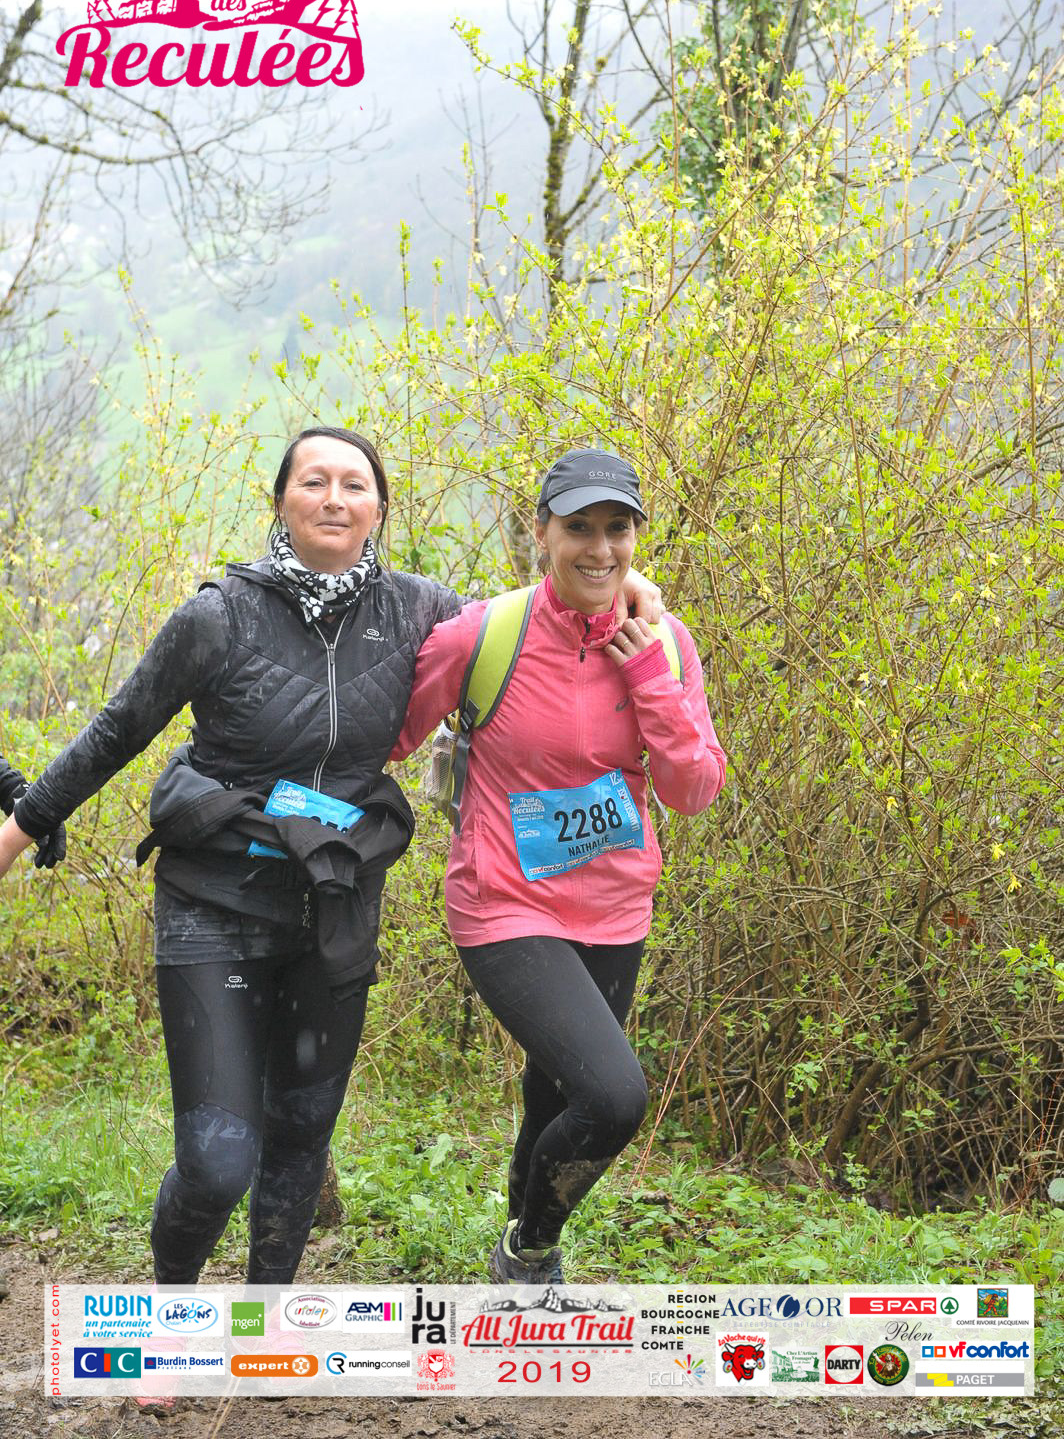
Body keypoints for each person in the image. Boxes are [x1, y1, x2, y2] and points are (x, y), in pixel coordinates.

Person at [0, 427, 662, 1287]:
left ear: (379, 508)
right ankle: (172, 1313)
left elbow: (536, 619)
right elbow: (118, 729)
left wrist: (625, 586)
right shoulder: (219, 616)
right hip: (215, 902)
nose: (335, 499)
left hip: (334, 906)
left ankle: (263, 1328)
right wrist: (21, 829)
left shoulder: (422, 611)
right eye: (314, 481)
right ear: (281, 500)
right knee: (216, 1160)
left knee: (300, 1141)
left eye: (355, 484)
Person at [392, 448, 726, 1284]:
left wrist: (647, 674)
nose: (599, 549)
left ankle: (523, 1265)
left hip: (616, 905)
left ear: (637, 537)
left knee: (556, 1095)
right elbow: (386, 739)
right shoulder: (484, 636)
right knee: (613, 1096)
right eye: (578, 527)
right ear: (541, 533)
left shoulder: (666, 644)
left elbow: (691, 791)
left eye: (618, 529)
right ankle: (532, 1247)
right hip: (503, 900)